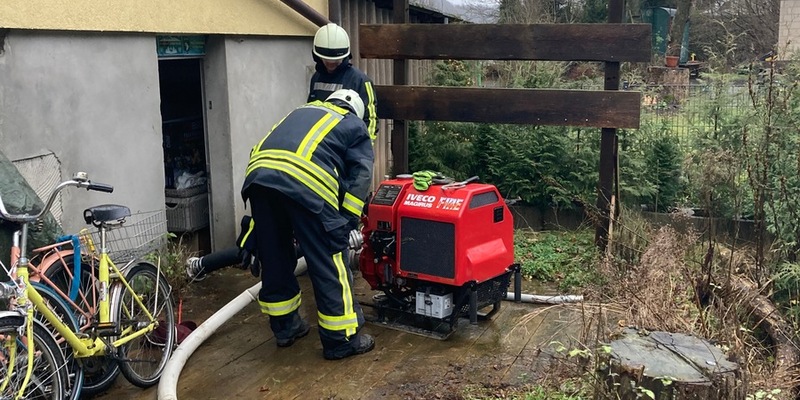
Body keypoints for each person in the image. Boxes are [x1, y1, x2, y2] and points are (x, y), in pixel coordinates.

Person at [241, 89, 375, 360]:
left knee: (275, 256)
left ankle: (286, 328)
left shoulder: (302, 111)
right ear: (356, 111)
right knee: (329, 259)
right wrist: (347, 222)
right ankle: (341, 340)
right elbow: (360, 176)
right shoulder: (353, 124)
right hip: (306, 184)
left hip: (259, 178)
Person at [308, 23, 379, 145]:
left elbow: (371, 121)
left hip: (349, 144)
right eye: (326, 60)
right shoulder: (316, 77)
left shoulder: (360, 81)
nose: (330, 64)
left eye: (335, 61)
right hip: (321, 144)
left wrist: (363, 149)